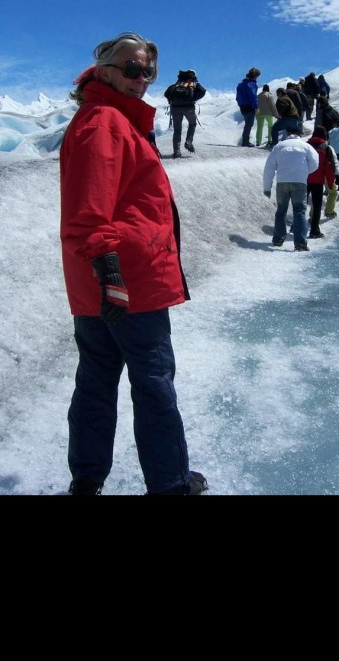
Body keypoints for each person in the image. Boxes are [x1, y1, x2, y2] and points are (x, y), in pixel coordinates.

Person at [60, 32, 208, 496]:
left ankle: (86, 480)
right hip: (129, 283)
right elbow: (89, 208)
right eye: (130, 69)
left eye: (147, 72)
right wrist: (111, 273)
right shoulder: (105, 122)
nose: (140, 80)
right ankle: (171, 483)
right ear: (104, 70)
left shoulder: (110, 120)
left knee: (96, 384)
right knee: (154, 385)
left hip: (106, 283)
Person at [263, 126, 319, 251]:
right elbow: (315, 163)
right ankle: (300, 243)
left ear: (287, 133)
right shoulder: (306, 147)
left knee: (281, 210)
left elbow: (269, 168)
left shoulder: (279, 146)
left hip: (282, 181)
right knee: (299, 211)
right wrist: (304, 172)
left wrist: (267, 187)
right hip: (299, 182)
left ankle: (278, 239)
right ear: (300, 134)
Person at [164, 69, 206, 158]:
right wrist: (194, 95)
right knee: (192, 124)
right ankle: (189, 142)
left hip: (175, 109)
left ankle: (177, 152)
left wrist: (172, 100)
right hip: (189, 108)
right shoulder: (191, 85)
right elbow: (203, 91)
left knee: (177, 130)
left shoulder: (175, 85)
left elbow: (166, 93)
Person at [306, 126, 336, 238]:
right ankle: (314, 231)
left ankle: (296, 226)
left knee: (301, 205)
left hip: (304, 179)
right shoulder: (326, 148)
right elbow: (329, 167)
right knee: (317, 206)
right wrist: (330, 182)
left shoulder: (306, 145)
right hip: (318, 181)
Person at [236, 67, 261, 146]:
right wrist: (256, 107)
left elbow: (237, 97)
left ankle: (245, 140)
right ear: (256, 76)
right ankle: (245, 141)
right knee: (249, 124)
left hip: (242, 106)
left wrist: (240, 104)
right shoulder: (251, 84)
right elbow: (253, 96)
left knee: (248, 123)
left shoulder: (241, 84)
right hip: (249, 106)